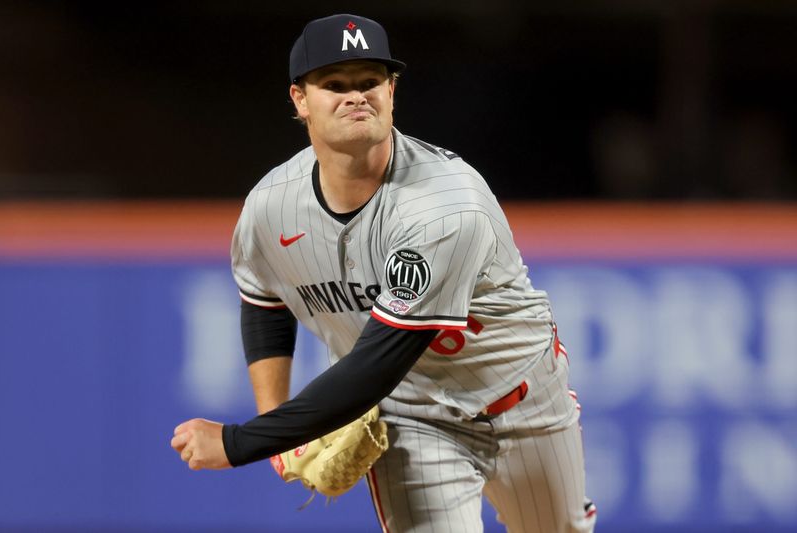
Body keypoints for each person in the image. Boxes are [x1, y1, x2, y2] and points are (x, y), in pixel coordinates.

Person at [171, 13, 596, 533]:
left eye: (370, 81)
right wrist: (277, 420)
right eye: (335, 84)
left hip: (523, 402)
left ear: (392, 91)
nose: (356, 96)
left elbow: (374, 366)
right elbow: (264, 297)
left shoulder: (445, 205)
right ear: (300, 100)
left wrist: (245, 442)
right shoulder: (271, 207)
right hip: (411, 421)